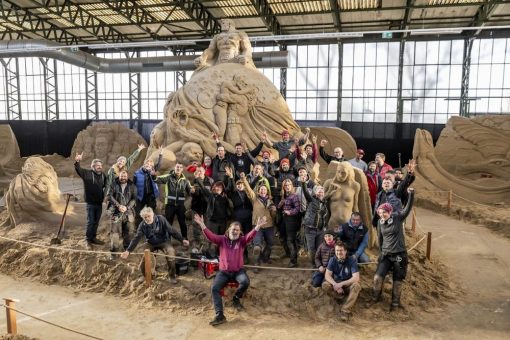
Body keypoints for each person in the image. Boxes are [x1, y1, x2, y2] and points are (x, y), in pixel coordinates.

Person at [194, 214, 267, 326]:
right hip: (224, 272)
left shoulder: (242, 241)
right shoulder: (222, 240)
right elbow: (211, 237)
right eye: (233, 229)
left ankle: (236, 298)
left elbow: (249, 237)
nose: (235, 232)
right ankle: (220, 315)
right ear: (229, 230)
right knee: (214, 288)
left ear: (240, 232)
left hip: (238, 271)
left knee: (245, 282)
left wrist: (257, 226)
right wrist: (202, 225)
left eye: (237, 230)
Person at [368, 189, 415, 311]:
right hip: (386, 254)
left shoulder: (398, 218)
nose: (382, 214)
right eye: (380, 212)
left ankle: (395, 303)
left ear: (389, 212)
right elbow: (380, 238)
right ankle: (375, 297)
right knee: (378, 277)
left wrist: (411, 195)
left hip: (399, 254)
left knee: (397, 280)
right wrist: (381, 253)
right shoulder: (380, 222)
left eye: (385, 212)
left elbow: (407, 209)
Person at [121, 207, 189, 284]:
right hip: (151, 242)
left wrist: (182, 240)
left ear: (153, 214)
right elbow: (136, 239)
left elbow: (171, 230)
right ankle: (145, 275)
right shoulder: (142, 225)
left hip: (164, 241)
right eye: (145, 217)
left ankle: (172, 276)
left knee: (171, 252)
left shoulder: (161, 219)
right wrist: (128, 251)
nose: (147, 218)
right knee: (142, 253)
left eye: (148, 216)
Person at [240, 172, 276, 270]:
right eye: (261, 189)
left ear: (267, 191)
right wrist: (244, 179)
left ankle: (265, 257)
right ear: (259, 191)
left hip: (269, 225)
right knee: (257, 246)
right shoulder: (254, 199)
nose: (263, 191)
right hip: (257, 226)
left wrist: (274, 211)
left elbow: (274, 215)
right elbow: (249, 190)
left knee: (270, 243)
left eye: (265, 190)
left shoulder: (271, 201)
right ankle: (256, 263)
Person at [154, 162, 194, 241]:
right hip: (170, 205)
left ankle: (184, 238)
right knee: (168, 223)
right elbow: (157, 179)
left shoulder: (185, 181)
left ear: (182, 169)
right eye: (177, 167)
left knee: (182, 223)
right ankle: (167, 239)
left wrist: (192, 191)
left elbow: (190, 191)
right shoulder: (168, 177)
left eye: (180, 167)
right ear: (174, 168)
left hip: (180, 206)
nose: (178, 168)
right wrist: (153, 175)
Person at [323, 241, 361, 322]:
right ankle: (340, 297)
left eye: (341, 250)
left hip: (347, 285)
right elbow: (327, 275)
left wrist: (341, 284)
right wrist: (335, 285)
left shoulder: (352, 260)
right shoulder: (332, 260)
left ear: (345, 251)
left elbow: (356, 278)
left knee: (357, 285)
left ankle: (345, 310)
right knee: (325, 285)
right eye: (337, 250)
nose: (339, 252)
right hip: (336, 285)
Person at [74, 152, 106, 247]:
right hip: (90, 204)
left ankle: (93, 238)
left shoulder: (103, 175)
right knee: (91, 222)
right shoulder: (87, 173)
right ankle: (88, 240)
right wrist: (77, 161)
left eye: (100, 165)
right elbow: (78, 169)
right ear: (93, 166)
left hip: (99, 204)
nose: (99, 167)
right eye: (97, 165)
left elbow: (107, 186)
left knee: (96, 222)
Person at [196, 179, 231, 257]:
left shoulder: (225, 197)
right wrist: (198, 180)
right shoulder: (211, 195)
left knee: (221, 238)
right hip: (212, 221)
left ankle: (219, 254)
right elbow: (204, 189)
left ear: (222, 189)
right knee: (211, 239)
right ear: (214, 188)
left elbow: (231, 188)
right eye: (216, 187)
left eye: (220, 187)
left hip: (223, 222)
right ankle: (211, 255)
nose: (218, 188)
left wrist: (231, 178)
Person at [106, 170, 137, 256]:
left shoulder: (132, 186)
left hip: (128, 212)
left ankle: (127, 251)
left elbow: (134, 199)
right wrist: (118, 206)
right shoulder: (113, 184)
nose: (123, 178)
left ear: (127, 176)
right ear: (119, 176)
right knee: (115, 233)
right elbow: (109, 196)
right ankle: (114, 252)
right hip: (116, 212)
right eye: (121, 176)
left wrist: (126, 207)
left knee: (129, 232)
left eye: (125, 176)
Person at [301, 184, 330, 266]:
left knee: (319, 248)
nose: (321, 193)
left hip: (320, 230)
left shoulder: (324, 203)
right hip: (310, 229)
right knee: (311, 249)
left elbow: (324, 217)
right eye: (319, 191)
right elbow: (305, 192)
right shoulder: (311, 199)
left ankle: (318, 265)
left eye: (322, 191)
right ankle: (314, 265)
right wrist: (303, 183)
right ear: (316, 193)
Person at [133, 151, 162, 227]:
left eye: (150, 165)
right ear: (144, 164)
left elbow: (158, 165)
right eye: (147, 164)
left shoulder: (152, 173)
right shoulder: (137, 173)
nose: (148, 165)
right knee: (139, 213)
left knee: (151, 213)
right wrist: (134, 197)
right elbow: (133, 185)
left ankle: (151, 228)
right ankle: (139, 229)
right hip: (140, 196)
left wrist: (160, 154)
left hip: (151, 196)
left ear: (152, 167)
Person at [278, 178, 301, 268]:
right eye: (285, 185)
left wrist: (290, 212)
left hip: (291, 220)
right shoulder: (284, 196)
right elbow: (280, 207)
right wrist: (280, 204)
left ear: (291, 186)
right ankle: (288, 253)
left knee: (290, 240)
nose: (287, 187)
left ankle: (294, 261)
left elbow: (297, 209)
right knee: (282, 237)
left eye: (289, 185)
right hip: (284, 219)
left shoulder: (294, 196)